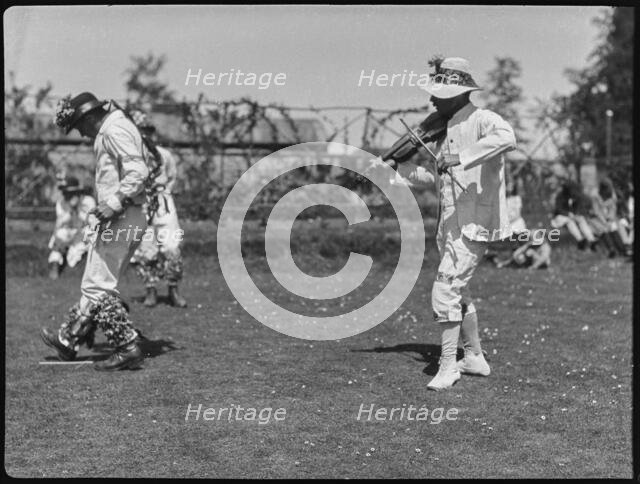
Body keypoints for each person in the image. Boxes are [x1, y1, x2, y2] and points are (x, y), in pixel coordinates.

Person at [383, 56, 517, 390]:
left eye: (438, 93)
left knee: (444, 291)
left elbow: (508, 137)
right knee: (458, 292)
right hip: (450, 226)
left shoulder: (483, 119)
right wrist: (395, 170)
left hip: (474, 224)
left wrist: (462, 156)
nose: (431, 99)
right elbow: (434, 179)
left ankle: (448, 366)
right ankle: (473, 357)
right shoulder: (444, 129)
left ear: (457, 94)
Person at [41, 92, 150, 371]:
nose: (81, 133)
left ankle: (127, 347)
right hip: (125, 215)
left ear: (89, 117)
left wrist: (113, 204)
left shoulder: (114, 129)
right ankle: (69, 340)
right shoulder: (114, 127)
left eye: (79, 126)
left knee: (98, 284)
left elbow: (138, 171)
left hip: (123, 215)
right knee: (96, 278)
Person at [127, 110, 187, 308]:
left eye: (147, 131)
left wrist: (163, 193)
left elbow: (172, 177)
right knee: (145, 247)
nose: (144, 136)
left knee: (171, 246)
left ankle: (173, 290)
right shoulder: (131, 158)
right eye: (139, 131)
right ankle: (150, 291)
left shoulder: (164, 155)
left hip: (162, 203)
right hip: (141, 203)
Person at [47, 174, 96, 279]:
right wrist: (70, 210)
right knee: (59, 235)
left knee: (90, 234)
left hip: (83, 233)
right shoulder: (61, 203)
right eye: (65, 193)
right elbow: (60, 223)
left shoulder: (88, 201)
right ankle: (55, 264)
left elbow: (93, 223)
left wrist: (78, 209)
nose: (67, 196)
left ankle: (82, 266)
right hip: (69, 232)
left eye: (70, 193)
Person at [550, 179, 597, 251]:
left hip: (572, 217)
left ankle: (591, 239)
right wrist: (568, 214)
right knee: (569, 222)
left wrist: (576, 215)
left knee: (581, 220)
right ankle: (580, 240)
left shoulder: (576, 197)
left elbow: (577, 208)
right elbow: (558, 209)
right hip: (561, 217)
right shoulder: (560, 197)